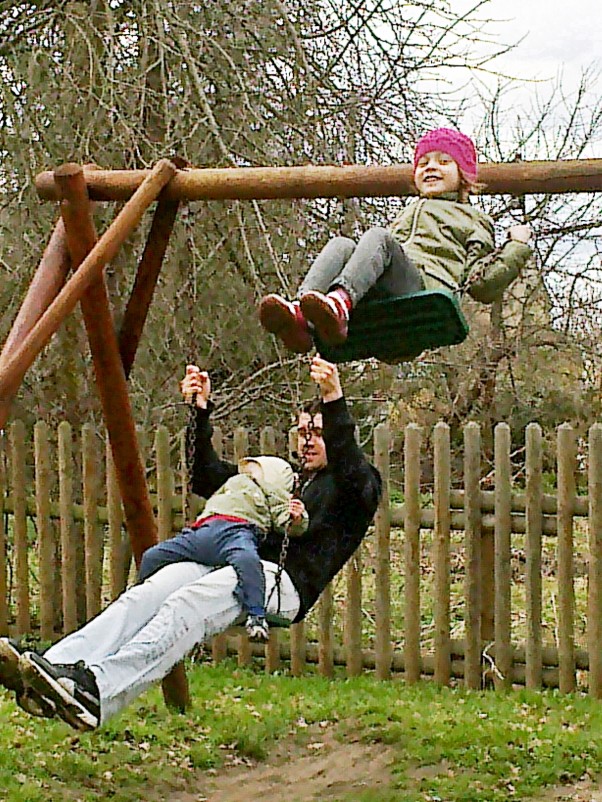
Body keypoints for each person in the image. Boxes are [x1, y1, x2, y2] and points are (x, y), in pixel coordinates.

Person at [0, 356, 381, 732]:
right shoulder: (282, 479)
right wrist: (199, 413)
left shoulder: (358, 485)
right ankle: (52, 670)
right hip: (230, 564)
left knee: (187, 605)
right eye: (302, 433)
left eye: (317, 432)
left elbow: (350, 468)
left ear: (336, 431)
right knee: (149, 594)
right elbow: (208, 477)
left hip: (283, 583)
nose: (308, 441)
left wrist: (334, 401)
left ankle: (97, 689)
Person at [258, 127, 533, 353]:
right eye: (423, 163)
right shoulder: (407, 212)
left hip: (424, 292)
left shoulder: (474, 219)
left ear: (465, 175)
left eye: (444, 161)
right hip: (386, 293)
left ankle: (338, 305)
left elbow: (482, 284)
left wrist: (517, 245)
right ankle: (300, 318)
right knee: (342, 244)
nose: (431, 167)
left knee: (379, 236)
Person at [139, 449, 308, 643]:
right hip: (203, 530)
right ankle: (142, 604)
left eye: (258, 471)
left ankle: (256, 615)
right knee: (153, 556)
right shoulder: (233, 482)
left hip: (237, 530)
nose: (251, 475)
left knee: (248, 562)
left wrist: (297, 518)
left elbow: (284, 521)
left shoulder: (273, 492)